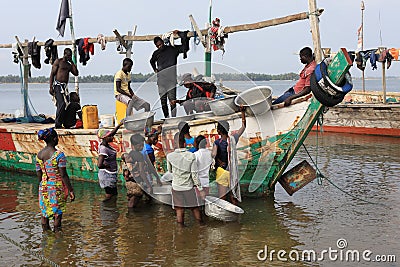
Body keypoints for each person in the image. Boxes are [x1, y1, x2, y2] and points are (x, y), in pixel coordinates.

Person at [35, 128, 75, 232]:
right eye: (57, 137)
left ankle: (46, 236)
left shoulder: (39, 155)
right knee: (57, 214)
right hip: (56, 187)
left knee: (44, 213)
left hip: (43, 186)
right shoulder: (58, 155)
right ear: (54, 139)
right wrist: (70, 190)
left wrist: (42, 185)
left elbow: (39, 175)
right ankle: (58, 241)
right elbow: (63, 175)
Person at [167, 132, 205, 226]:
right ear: (185, 144)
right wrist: (200, 189)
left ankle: (180, 231)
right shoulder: (191, 156)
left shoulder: (170, 156)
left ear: (175, 144)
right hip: (188, 187)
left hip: (176, 187)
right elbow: (194, 175)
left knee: (179, 209)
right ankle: (201, 226)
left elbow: (170, 170)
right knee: (194, 208)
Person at [212, 105, 246, 205]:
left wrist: (217, 160)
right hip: (232, 171)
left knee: (222, 197)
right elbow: (243, 127)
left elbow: (213, 155)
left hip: (222, 171)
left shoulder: (217, 142)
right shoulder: (233, 138)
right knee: (233, 196)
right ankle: (236, 218)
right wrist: (242, 113)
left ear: (218, 131)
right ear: (228, 129)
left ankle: (225, 218)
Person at [150, 32, 189, 118]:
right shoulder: (156, 53)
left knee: (172, 101)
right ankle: (167, 118)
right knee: (163, 102)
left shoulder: (172, 49)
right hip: (161, 82)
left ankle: (174, 118)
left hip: (171, 81)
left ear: (163, 42)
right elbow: (151, 61)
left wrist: (184, 37)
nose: (160, 46)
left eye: (160, 44)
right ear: (156, 46)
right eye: (158, 46)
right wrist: (155, 69)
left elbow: (184, 48)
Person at [49, 48, 79, 128]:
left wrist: (72, 62)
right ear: (65, 54)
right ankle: (57, 124)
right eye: (68, 55)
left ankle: (63, 122)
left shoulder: (69, 65)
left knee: (65, 105)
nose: (69, 57)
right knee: (61, 104)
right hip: (58, 86)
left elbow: (76, 73)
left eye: (70, 56)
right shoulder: (58, 62)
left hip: (64, 87)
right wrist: (51, 87)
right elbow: (52, 74)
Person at [124, 133, 154, 208]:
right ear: (134, 145)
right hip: (136, 182)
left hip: (130, 182)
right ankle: (131, 217)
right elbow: (141, 171)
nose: (142, 147)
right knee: (133, 203)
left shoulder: (130, 154)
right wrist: (148, 185)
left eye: (142, 145)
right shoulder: (139, 155)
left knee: (133, 199)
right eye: (140, 145)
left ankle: (134, 217)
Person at [97, 121, 124, 201]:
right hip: (107, 175)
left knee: (114, 194)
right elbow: (99, 165)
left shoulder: (104, 144)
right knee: (109, 195)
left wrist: (119, 124)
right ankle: (106, 210)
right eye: (110, 136)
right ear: (104, 138)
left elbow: (112, 132)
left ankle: (111, 210)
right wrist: (107, 166)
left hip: (110, 174)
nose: (112, 137)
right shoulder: (104, 149)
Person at [194, 135, 213, 202]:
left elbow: (194, 170)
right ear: (205, 143)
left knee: (198, 203)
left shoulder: (196, 154)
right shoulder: (210, 153)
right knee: (205, 202)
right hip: (207, 181)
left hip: (198, 182)